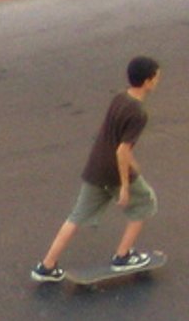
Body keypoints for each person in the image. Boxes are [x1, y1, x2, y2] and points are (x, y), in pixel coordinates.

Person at [32, 57, 163, 282]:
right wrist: (124, 185)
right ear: (147, 81)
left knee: (76, 216)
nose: (158, 81)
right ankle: (122, 256)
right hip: (113, 171)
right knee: (145, 202)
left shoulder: (119, 98)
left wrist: (133, 163)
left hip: (96, 167)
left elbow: (113, 137)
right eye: (156, 77)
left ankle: (46, 266)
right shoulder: (139, 114)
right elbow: (122, 151)